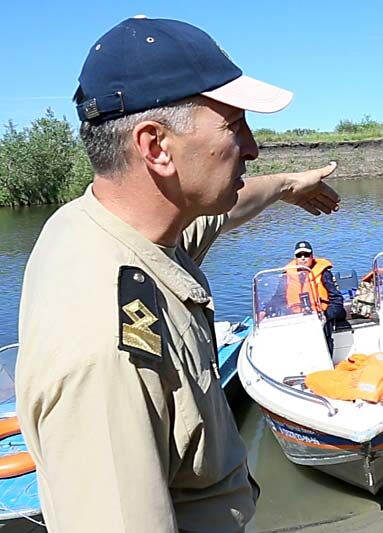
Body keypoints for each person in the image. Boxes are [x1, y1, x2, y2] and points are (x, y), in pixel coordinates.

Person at [15, 17, 340, 532]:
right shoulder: (105, 351)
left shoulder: (102, 225)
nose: (253, 148)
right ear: (157, 147)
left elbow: (221, 211)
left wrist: (286, 186)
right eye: (235, 126)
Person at [284, 241, 346, 354]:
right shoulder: (287, 275)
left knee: (325, 330)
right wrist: (263, 310)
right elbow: (277, 297)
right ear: (295, 258)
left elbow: (336, 299)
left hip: (320, 316)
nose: (303, 258)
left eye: (306, 255)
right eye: (299, 255)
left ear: (312, 256)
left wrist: (327, 315)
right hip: (297, 316)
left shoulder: (324, 274)